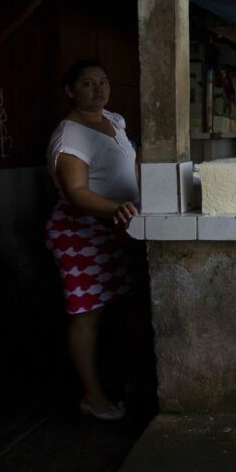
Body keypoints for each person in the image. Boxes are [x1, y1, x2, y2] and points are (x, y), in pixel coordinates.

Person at [44, 60, 140, 421]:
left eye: (103, 82)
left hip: (117, 225)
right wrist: (119, 207)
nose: (98, 90)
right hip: (80, 230)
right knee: (87, 314)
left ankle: (125, 380)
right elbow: (77, 192)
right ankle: (93, 396)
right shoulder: (70, 135)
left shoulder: (113, 121)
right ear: (70, 90)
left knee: (122, 307)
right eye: (87, 84)